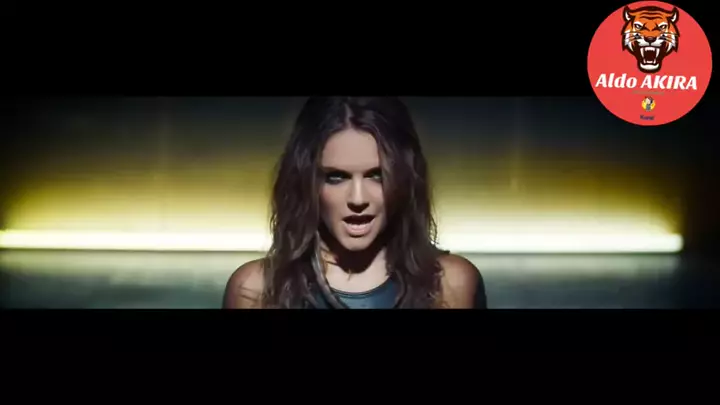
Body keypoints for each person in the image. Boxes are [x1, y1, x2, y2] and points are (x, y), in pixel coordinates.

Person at [223, 97, 486, 309]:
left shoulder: (450, 285)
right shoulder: (256, 290)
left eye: (377, 176)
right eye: (336, 177)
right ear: (306, 183)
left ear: (405, 178)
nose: (358, 199)